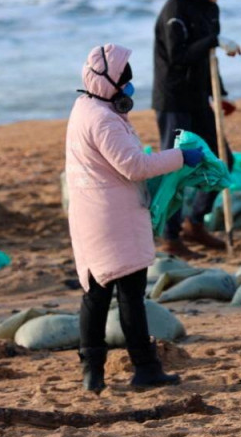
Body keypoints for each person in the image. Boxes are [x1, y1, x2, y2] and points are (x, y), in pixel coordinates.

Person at [67, 44, 197, 393]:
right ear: (110, 83)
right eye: (126, 83)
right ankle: (145, 367)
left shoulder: (85, 108)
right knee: (130, 294)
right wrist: (180, 157)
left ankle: (92, 372)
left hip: (92, 214)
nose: (129, 88)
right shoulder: (103, 120)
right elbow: (134, 166)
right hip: (114, 219)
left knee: (95, 292)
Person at [153, 0, 241, 259]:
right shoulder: (175, 9)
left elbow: (208, 58)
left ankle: (196, 222)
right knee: (175, 167)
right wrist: (213, 41)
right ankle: (170, 236)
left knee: (222, 161)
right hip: (174, 99)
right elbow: (178, 56)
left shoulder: (210, 9)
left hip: (199, 97)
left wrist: (222, 94)